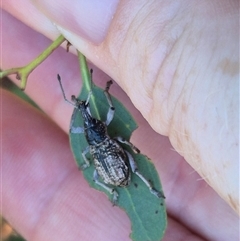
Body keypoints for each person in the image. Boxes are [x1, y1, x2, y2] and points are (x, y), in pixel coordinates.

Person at [1, 1, 239, 240]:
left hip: (112, 168)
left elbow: (102, 125)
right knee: (120, 171)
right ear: (100, 131)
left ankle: (127, 190)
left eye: (94, 124)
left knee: (101, 173)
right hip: (115, 170)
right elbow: (109, 116)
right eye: (93, 124)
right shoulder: (103, 141)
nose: (91, 120)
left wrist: (99, 99)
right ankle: (143, 189)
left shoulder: (96, 146)